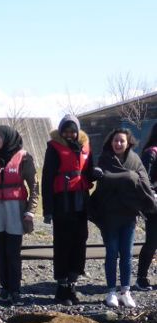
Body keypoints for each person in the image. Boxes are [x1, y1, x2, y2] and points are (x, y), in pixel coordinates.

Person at [88, 128, 157, 308]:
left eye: (122, 141)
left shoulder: (135, 160)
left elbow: (143, 182)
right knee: (112, 253)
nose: (118, 144)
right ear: (111, 142)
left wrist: (126, 178)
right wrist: (128, 177)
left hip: (129, 215)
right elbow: (105, 180)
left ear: (128, 143)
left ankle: (125, 291)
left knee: (126, 255)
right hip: (109, 216)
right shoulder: (105, 159)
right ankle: (111, 291)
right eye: (115, 140)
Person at [0, 125, 39, 304]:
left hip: (15, 210)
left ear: (8, 138)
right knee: (0, 251)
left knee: (13, 251)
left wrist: (30, 211)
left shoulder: (24, 158)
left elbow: (34, 187)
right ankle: (4, 288)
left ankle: (15, 289)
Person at [41, 115, 94, 305]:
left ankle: (73, 283)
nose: (70, 134)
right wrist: (47, 209)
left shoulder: (85, 146)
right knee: (62, 243)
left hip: (80, 202)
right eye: (66, 131)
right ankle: (61, 285)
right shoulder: (54, 148)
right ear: (61, 131)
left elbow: (89, 171)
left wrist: (95, 173)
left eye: (73, 131)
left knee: (80, 241)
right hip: (61, 202)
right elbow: (47, 179)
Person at [135, 125, 157, 290]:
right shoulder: (151, 153)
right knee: (152, 242)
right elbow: (143, 179)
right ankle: (141, 277)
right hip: (154, 203)